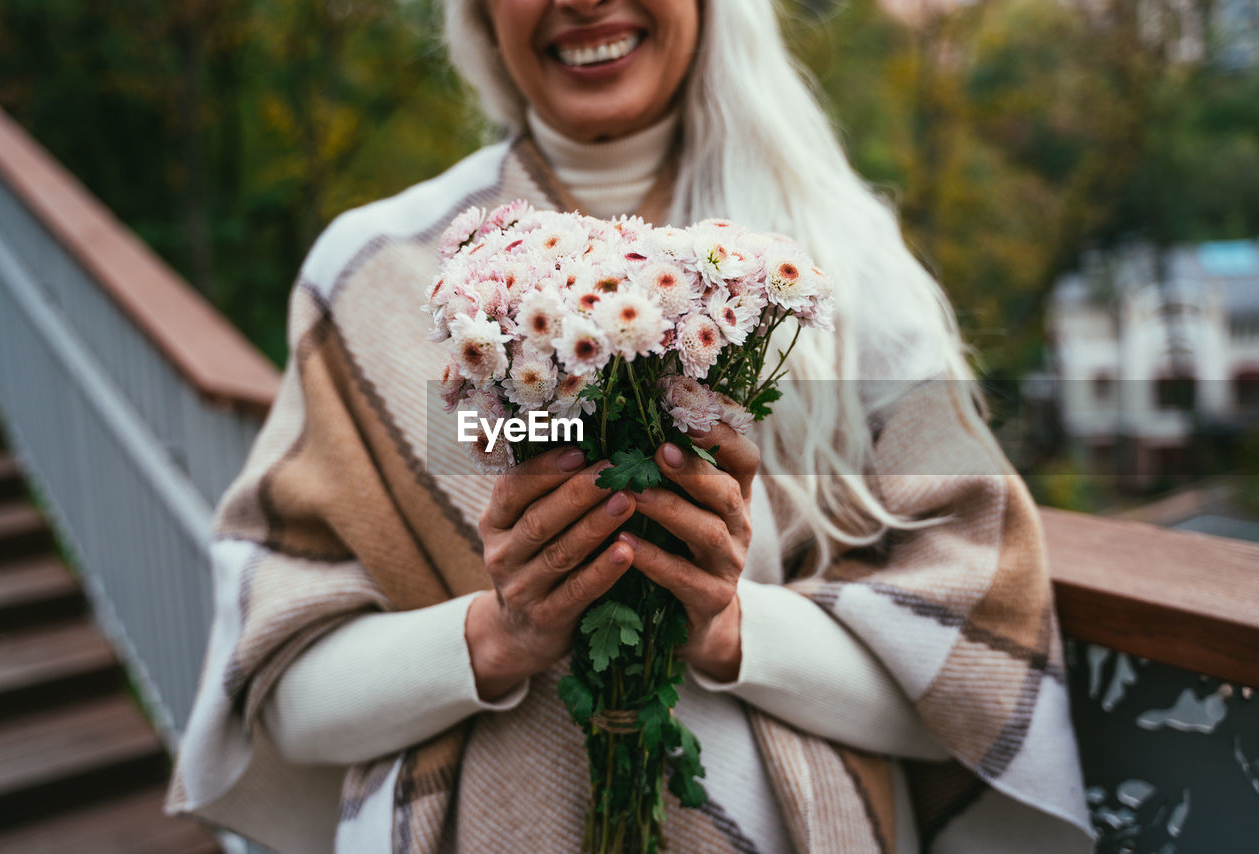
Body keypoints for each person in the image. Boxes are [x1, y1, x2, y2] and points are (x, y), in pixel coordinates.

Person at [167, 1, 1096, 852]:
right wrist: (498, 637)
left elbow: (966, 677)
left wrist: (731, 631)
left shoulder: (838, 271)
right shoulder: (376, 276)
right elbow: (284, 696)